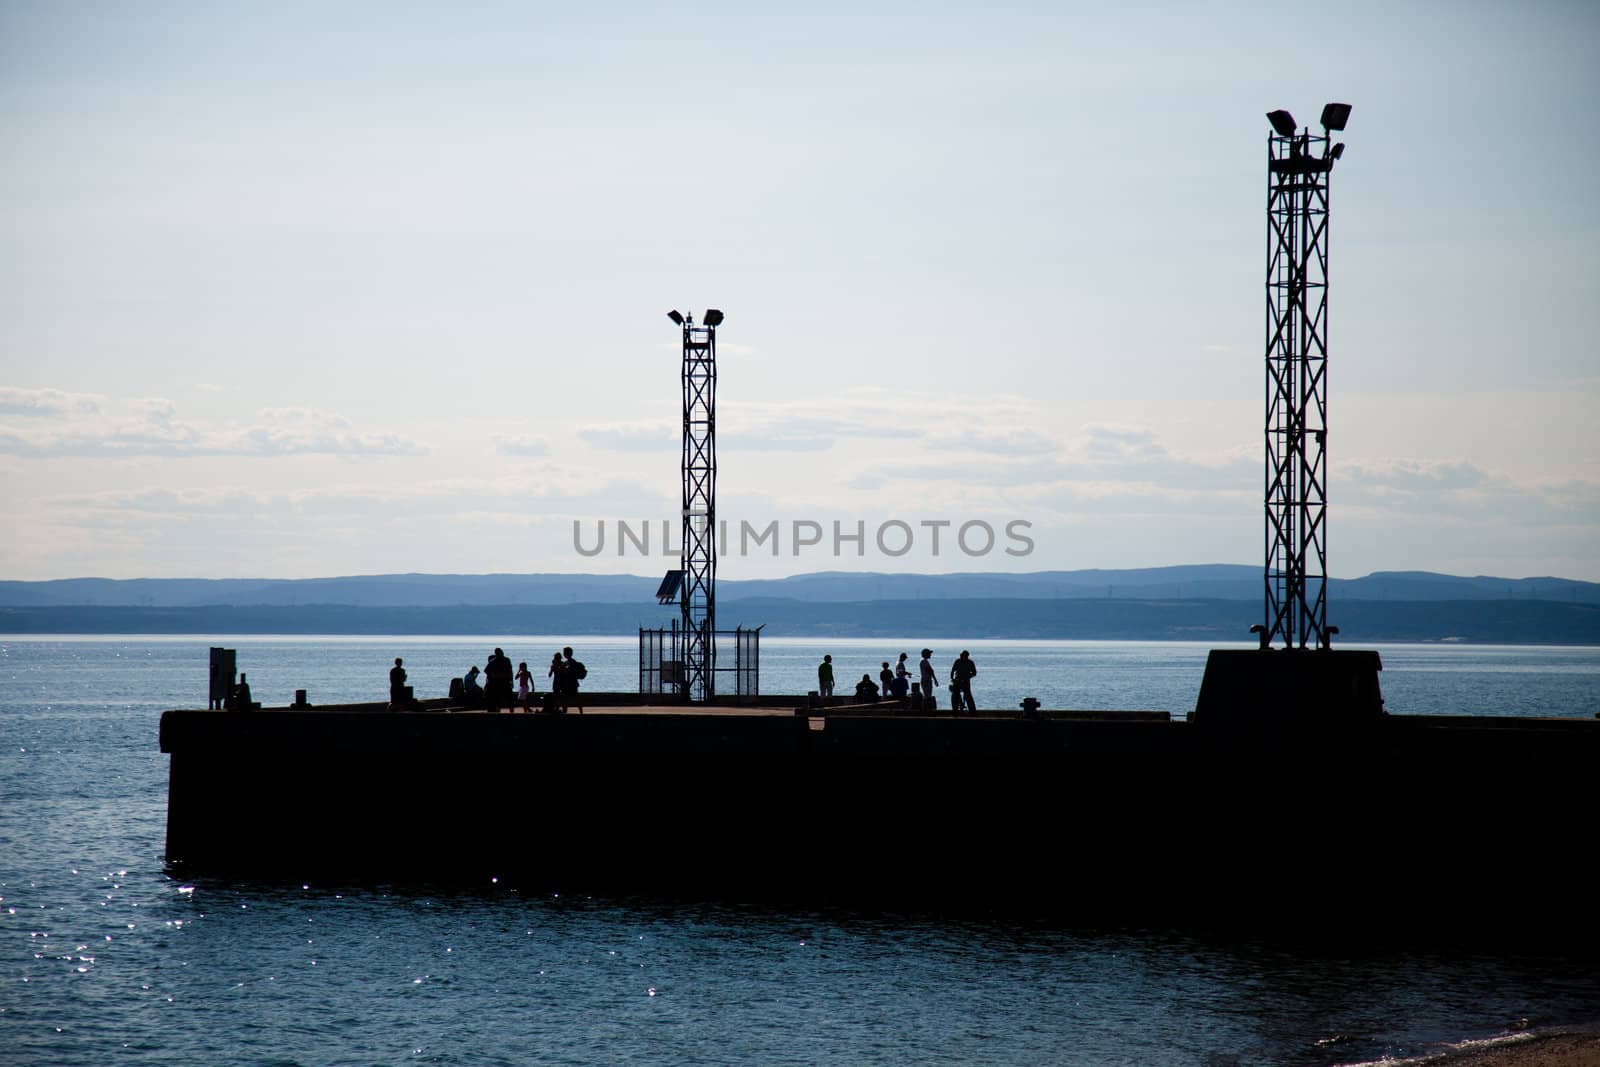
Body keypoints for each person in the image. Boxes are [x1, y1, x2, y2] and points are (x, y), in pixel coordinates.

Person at [484, 646, 514, 713]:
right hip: (498, 683)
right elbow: (486, 671)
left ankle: (511, 711)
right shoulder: (493, 661)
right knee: (499, 699)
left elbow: (510, 671)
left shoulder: (506, 660)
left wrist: (511, 681)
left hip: (504, 682)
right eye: (499, 653)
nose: (501, 654)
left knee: (509, 698)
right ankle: (499, 711)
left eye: (501, 652)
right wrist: (493, 676)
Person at [951, 650, 977, 714]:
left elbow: (974, 673)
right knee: (955, 696)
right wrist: (952, 679)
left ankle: (972, 711)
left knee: (968, 696)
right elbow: (952, 670)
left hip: (966, 682)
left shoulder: (970, 662)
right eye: (961, 656)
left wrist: (968, 677)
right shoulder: (957, 661)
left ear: (967, 656)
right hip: (957, 681)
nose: (962, 657)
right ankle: (955, 710)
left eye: (964, 656)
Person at [561, 646, 586, 714]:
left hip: (571, 683)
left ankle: (580, 712)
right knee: (568, 699)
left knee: (573, 698)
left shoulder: (571, 663)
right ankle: (565, 711)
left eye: (565, 653)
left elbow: (568, 672)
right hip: (568, 683)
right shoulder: (566, 663)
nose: (564, 654)